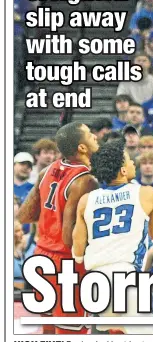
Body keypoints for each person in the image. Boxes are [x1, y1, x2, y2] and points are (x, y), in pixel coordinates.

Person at [72, 139, 153, 335]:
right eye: (130, 161)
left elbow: (78, 250)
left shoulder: (86, 200)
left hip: (96, 281)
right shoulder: (146, 193)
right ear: (123, 170)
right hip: (126, 275)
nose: (134, 163)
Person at [17, 122, 100, 334]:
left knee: (49, 330)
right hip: (66, 262)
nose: (95, 138)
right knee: (70, 331)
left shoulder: (46, 171)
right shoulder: (86, 180)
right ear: (81, 147)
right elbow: (69, 237)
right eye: (90, 135)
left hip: (41, 257)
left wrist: (50, 220)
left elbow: (24, 215)